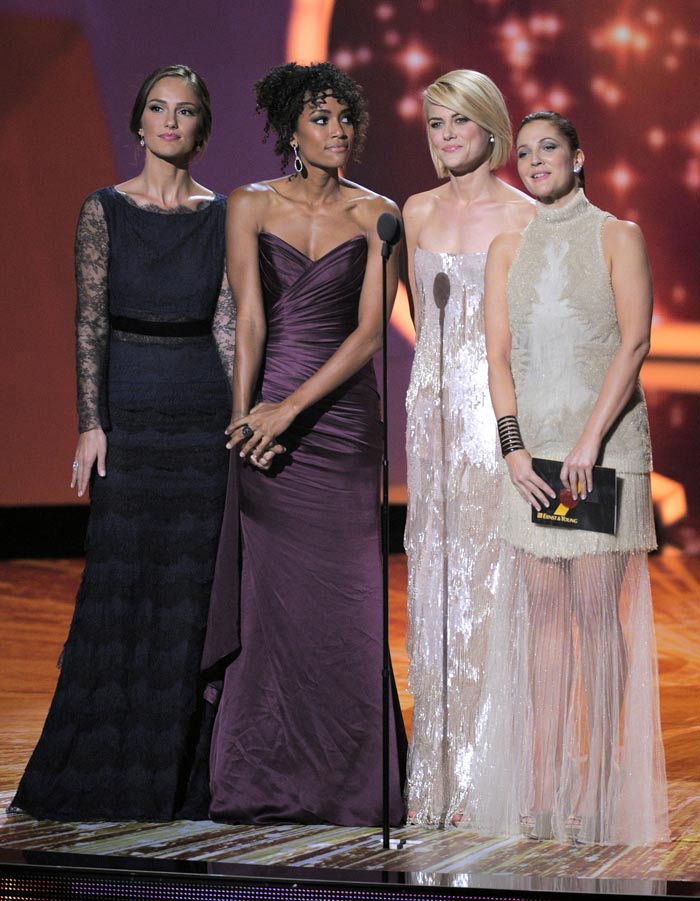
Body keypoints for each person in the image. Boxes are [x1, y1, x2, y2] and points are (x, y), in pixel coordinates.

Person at [11, 65, 234, 821]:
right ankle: (103, 767)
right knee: (119, 582)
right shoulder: (103, 210)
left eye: (186, 112)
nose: (171, 122)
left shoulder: (222, 215)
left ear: (202, 128)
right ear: (139, 122)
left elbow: (231, 326)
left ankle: (180, 775)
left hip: (202, 417)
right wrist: (90, 420)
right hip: (131, 412)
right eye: (159, 109)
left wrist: (242, 418)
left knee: (188, 598)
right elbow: (89, 322)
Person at [201, 61, 406, 826]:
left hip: (341, 424)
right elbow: (249, 317)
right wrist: (244, 414)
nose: (338, 130)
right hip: (263, 428)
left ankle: (353, 787)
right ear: (292, 129)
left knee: (348, 606)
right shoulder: (249, 204)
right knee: (270, 609)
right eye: (321, 118)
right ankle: (260, 776)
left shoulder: (379, 214)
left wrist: (290, 408)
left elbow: (366, 333)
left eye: (346, 118)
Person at [474, 110, 668, 844]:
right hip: (535, 460)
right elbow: (497, 356)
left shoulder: (617, 235)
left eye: (548, 147)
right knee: (546, 618)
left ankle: (600, 780)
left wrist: (588, 443)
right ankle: (545, 789)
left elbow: (636, 340)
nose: (534, 160)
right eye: (522, 152)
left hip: (605, 451)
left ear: (579, 156)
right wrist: (515, 451)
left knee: (593, 610)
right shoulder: (505, 247)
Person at [402, 69, 534, 826]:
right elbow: (423, 321)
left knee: (488, 587)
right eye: (433, 124)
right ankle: (437, 778)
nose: (445, 136)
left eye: (457, 122)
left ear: (491, 128)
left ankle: (487, 777)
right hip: (431, 411)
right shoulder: (415, 211)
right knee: (434, 581)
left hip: (491, 416)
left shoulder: (522, 214)